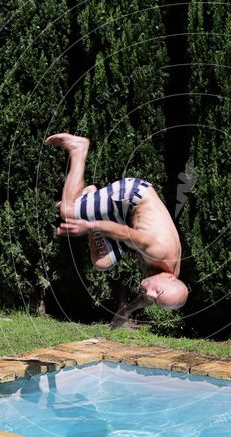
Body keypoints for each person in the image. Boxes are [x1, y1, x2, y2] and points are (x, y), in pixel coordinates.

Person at [45, 133, 188, 328]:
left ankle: (89, 198)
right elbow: (124, 233)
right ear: (169, 277)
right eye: (158, 293)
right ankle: (78, 148)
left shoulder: (163, 281)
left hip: (126, 217)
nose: (150, 294)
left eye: (156, 300)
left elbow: (146, 298)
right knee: (68, 212)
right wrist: (90, 225)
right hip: (132, 196)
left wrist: (126, 310)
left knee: (102, 262)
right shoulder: (160, 253)